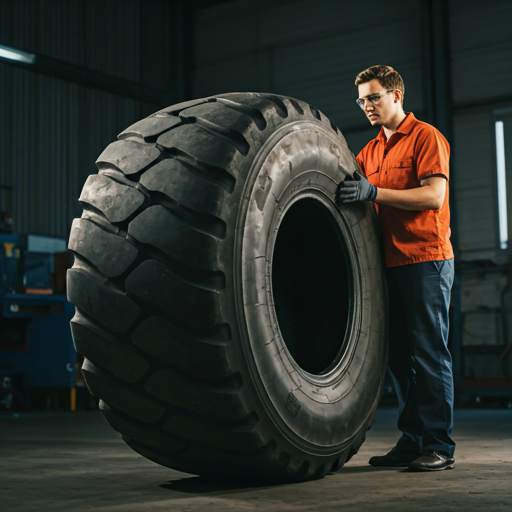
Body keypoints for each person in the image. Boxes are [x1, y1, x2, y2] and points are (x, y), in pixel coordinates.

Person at [336, 65, 455, 472]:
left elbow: (434, 196)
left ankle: (439, 445)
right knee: (399, 356)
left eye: (373, 97)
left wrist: (375, 192)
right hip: (386, 265)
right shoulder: (367, 153)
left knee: (429, 355)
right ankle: (413, 440)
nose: (366, 105)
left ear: (396, 95)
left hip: (425, 260)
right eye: (361, 100)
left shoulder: (427, 138)